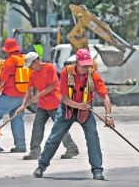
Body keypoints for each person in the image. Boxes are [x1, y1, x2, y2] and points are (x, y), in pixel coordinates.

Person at [33, 48, 115, 180]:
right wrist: (78, 106)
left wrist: (108, 115)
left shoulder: (93, 74)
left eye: (88, 64)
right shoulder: (66, 72)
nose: (86, 67)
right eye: (84, 65)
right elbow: (64, 98)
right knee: (54, 137)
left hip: (85, 111)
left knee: (93, 138)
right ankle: (41, 166)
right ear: (77, 62)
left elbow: (105, 96)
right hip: (67, 109)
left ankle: (97, 170)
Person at [16, 52, 79, 160]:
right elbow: (29, 91)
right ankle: (35, 151)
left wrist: (38, 95)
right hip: (43, 105)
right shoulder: (32, 73)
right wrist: (22, 105)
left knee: (59, 128)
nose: (30, 68)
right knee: (37, 127)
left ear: (36, 61)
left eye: (31, 65)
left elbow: (52, 85)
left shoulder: (49, 68)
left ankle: (71, 148)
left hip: (55, 103)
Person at [0, 38, 30, 153]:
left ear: (8, 50)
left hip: (10, 94)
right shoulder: (23, 59)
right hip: (22, 95)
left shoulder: (10, 60)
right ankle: (20, 145)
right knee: (17, 118)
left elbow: (3, 78)